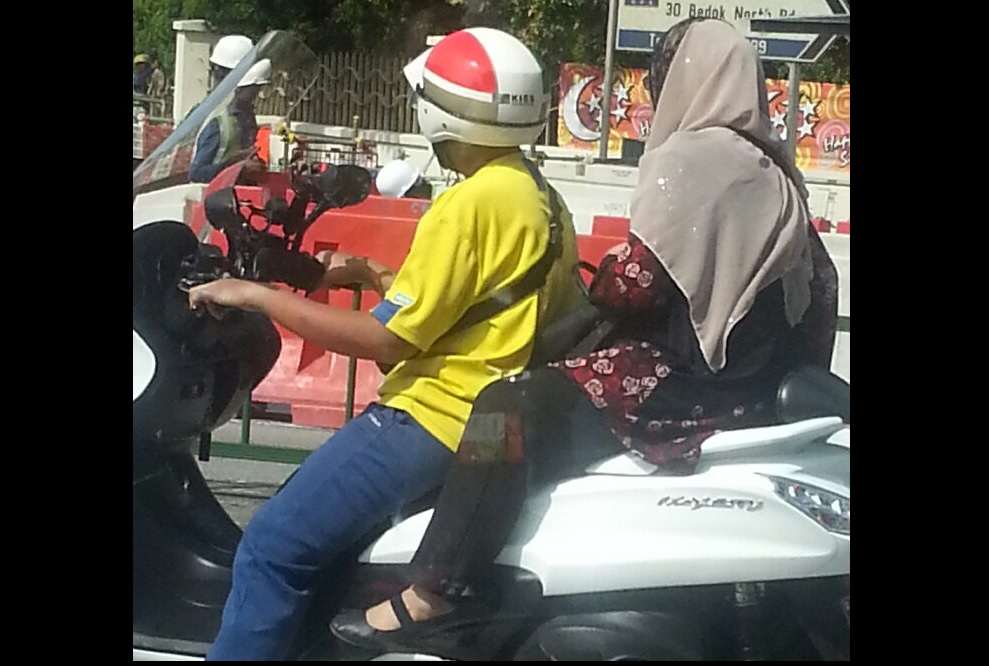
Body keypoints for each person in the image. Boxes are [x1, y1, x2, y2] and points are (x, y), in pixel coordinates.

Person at [329, 16, 839, 651]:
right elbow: (819, 290)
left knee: (504, 407)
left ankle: (435, 588)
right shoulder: (776, 168)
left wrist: (598, 297)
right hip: (751, 385)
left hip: (681, 381)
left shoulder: (687, 158)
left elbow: (636, 283)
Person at [187, 26, 585, 661]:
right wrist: (373, 275)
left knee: (271, 546)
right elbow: (488, 304)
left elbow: (388, 340)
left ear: (439, 109)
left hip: (429, 416)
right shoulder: (537, 194)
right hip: (490, 416)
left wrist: (255, 295)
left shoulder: (467, 204)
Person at [188, 58, 272, 184]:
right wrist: (235, 167)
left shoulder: (248, 120)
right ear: (239, 89)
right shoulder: (218, 124)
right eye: (253, 91)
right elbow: (196, 174)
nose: (256, 96)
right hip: (213, 194)